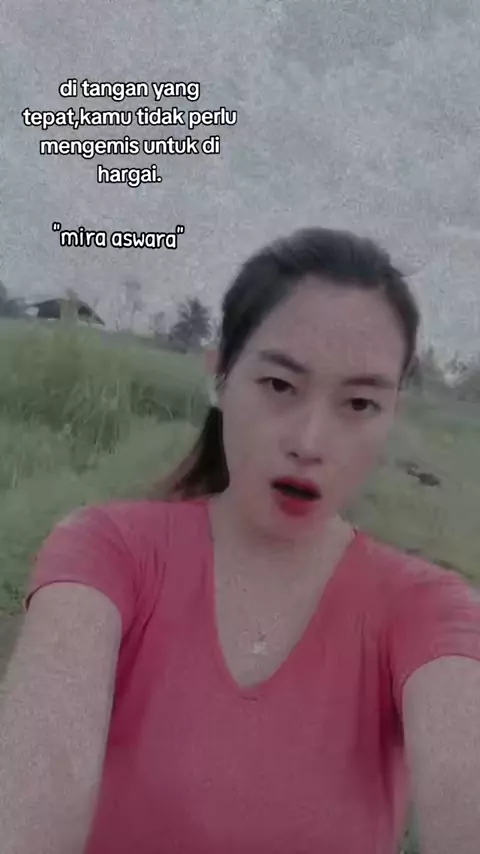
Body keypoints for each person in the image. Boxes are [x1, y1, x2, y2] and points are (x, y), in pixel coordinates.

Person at [1, 227, 479, 854]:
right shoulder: (109, 551)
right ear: (220, 377)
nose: (310, 441)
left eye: (359, 403)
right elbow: (38, 791)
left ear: (391, 414)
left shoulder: (426, 609)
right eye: (279, 385)